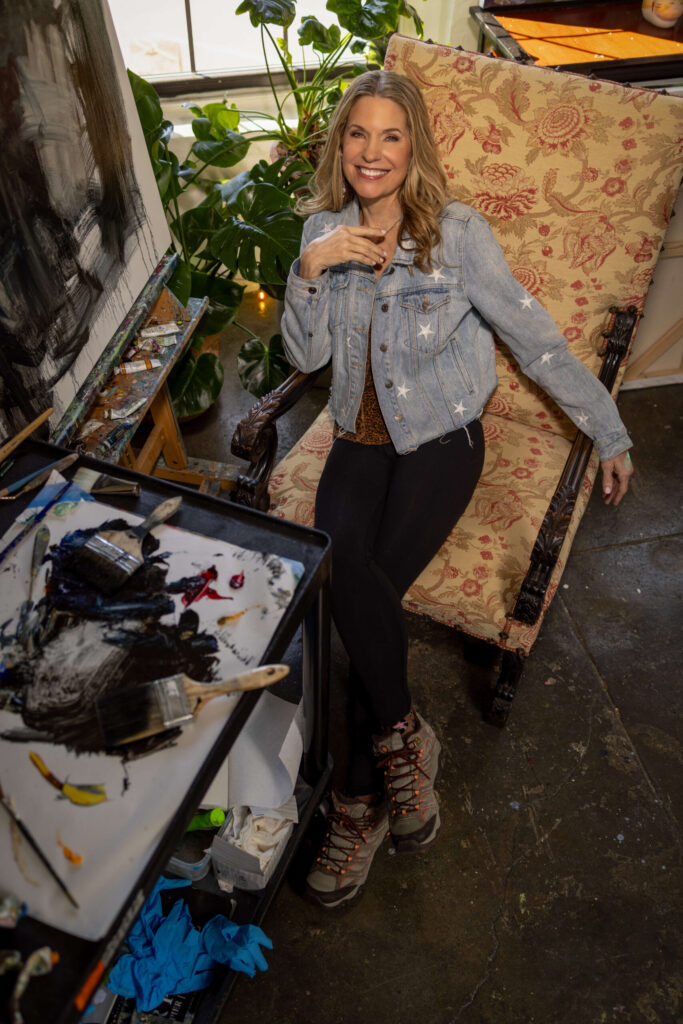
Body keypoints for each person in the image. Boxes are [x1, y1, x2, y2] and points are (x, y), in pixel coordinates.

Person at [281, 70, 634, 909]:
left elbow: (532, 336)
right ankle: (402, 741)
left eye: (390, 135)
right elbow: (303, 360)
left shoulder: (457, 233)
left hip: (442, 438)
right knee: (347, 573)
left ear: (414, 147)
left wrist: (606, 426)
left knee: (360, 587)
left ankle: (357, 799)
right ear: (340, 146)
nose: (371, 152)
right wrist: (308, 267)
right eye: (356, 135)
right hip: (357, 443)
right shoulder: (322, 232)